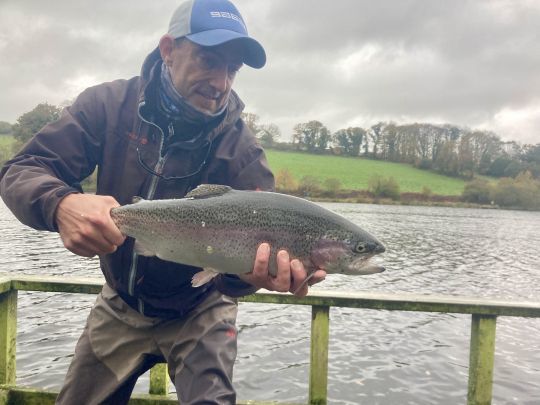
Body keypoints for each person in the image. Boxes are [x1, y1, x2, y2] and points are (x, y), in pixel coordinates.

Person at [0, 0, 326, 403]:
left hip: (201, 307)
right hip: (121, 301)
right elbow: (22, 169)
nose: (221, 82)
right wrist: (60, 203)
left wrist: (253, 278)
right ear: (168, 50)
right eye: (209, 60)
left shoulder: (241, 151)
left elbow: (234, 277)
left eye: (232, 69)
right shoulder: (107, 107)